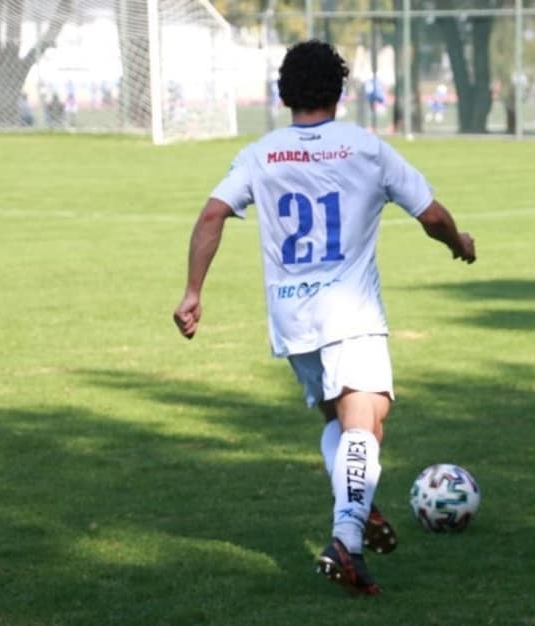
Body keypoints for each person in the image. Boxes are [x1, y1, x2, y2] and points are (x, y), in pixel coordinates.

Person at [173, 40, 476, 596]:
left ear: (284, 93)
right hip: (350, 312)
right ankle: (347, 540)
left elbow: (213, 213)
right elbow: (430, 214)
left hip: (293, 320)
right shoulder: (365, 148)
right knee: (368, 422)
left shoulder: (260, 154)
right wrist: (459, 242)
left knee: (342, 425)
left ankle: (355, 506)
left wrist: (193, 291)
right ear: (339, 91)